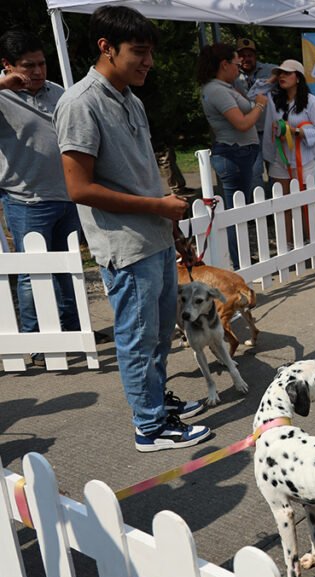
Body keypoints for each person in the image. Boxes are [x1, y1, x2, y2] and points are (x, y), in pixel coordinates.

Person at [55, 5, 210, 452]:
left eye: (150, 53)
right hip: (124, 244)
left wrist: (169, 220)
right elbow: (78, 187)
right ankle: (149, 426)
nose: (148, 62)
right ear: (106, 48)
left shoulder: (130, 97)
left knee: (160, 332)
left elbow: (140, 172)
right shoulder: (79, 103)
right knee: (138, 336)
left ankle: (157, 403)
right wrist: (156, 206)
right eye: (139, 52)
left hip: (154, 237)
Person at [0, 29, 82, 357]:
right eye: (27, 65)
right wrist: (4, 85)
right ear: (7, 64)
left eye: (42, 64)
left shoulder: (57, 92)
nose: (37, 72)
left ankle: (73, 331)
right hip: (26, 199)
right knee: (34, 275)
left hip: (65, 194)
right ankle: (35, 341)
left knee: (68, 269)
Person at [197, 42, 267, 269]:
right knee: (235, 214)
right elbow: (242, 123)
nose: (239, 68)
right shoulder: (216, 90)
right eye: (236, 64)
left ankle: (240, 260)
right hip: (233, 155)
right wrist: (260, 106)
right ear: (224, 64)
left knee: (239, 211)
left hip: (240, 153)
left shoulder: (225, 86)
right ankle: (238, 263)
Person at [262, 58, 315, 245]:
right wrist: (271, 79)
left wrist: (296, 131)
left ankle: (310, 242)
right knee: (283, 204)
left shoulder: (311, 102)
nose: (282, 76)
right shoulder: (274, 100)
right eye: (279, 73)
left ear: (298, 78)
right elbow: (254, 94)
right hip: (279, 159)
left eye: (287, 73)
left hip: (304, 160)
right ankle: (286, 244)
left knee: (305, 203)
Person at [234, 38, 274, 187]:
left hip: (269, 130)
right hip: (249, 133)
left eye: (250, 55)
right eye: (242, 55)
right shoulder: (233, 75)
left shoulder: (269, 70)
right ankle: (262, 208)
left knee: (275, 172)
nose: (246, 59)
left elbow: (287, 72)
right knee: (254, 173)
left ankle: (278, 207)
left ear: (255, 56)